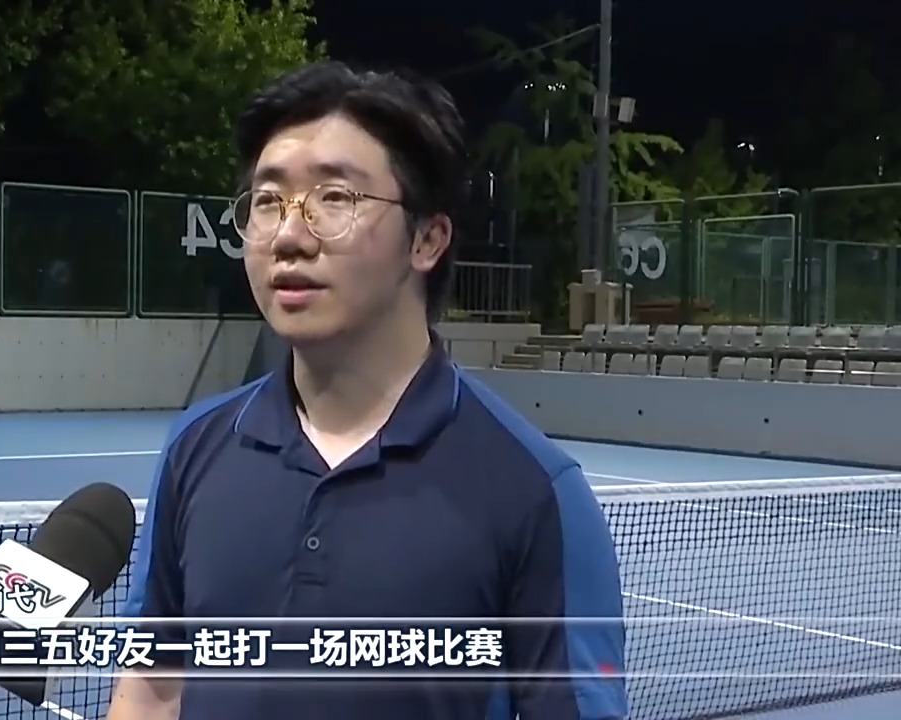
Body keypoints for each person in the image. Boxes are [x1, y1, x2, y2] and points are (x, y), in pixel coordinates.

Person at [106, 60, 627, 720]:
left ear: (427, 239)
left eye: (336, 198)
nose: (289, 235)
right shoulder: (195, 446)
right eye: (267, 202)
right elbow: (152, 686)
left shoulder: (536, 492)